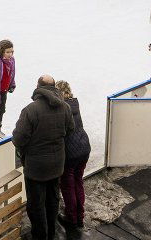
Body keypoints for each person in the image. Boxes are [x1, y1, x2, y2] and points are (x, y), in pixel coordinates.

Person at [12, 75, 75, 240]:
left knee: (36, 205)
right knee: (53, 201)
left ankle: (40, 236)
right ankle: (51, 233)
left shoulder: (30, 110)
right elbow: (70, 130)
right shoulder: (65, 107)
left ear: (38, 87)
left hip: (36, 168)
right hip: (57, 166)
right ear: (54, 87)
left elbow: (18, 139)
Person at [55, 80, 90, 237]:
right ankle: (80, 217)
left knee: (68, 185)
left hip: (71, 152)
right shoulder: (74, 103)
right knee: (78, 182)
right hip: (83, 147)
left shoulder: (60, 109)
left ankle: (72, 218)